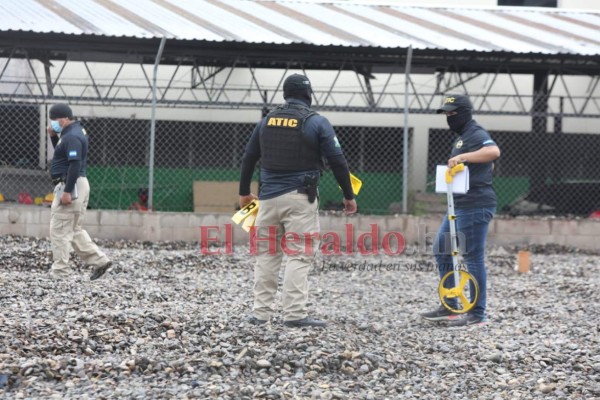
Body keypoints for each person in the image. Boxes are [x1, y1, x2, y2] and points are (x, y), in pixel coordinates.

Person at [239, 73, 357, 328]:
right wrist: (348, 195)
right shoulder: (317, 122)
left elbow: (249, 157)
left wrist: (244, 192)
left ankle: (260, 314)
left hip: (267, 198)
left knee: (267, 254)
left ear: (285, 94)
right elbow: (337, 161)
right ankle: (294, 314)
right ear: (308, 95)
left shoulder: (266, 121)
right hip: (300, 198)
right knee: (299, 254)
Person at [421, 94, 501, 328]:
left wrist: (463, 157)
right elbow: (488, 163)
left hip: (476, 205)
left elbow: (493, 152)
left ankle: (477, 313)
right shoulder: (464, 135)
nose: (448, 117)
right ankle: (452, 304)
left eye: (452, 113)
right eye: (446, 113)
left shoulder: (475, 132)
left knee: (473, 257)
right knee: (442, 249)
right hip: (459, 204)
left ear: (465, 112)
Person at [47, 103, 112, 280]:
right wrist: (54, 136)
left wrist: (67, 190)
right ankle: (100, 261)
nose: (52, 123)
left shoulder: (72, 137)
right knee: (74, 229)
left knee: (59, 230)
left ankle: (60, 272)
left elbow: (74, 163)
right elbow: (64, 154)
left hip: (71, 184)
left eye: (54, 120)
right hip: (78, 183)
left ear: (63, 118)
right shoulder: (73, 133)